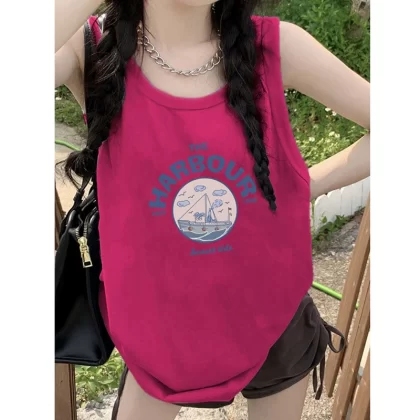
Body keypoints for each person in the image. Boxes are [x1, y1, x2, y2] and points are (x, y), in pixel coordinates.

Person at [55, 0, 370, 419]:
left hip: (272, 319)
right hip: (157, 335)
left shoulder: (275, 47)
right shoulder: (91, 51)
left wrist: (302, 185)